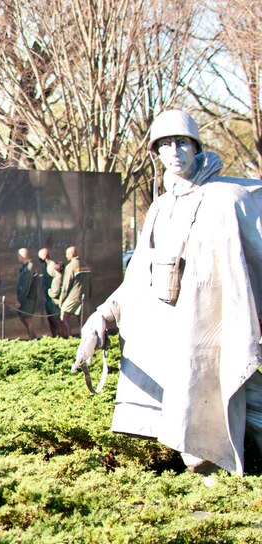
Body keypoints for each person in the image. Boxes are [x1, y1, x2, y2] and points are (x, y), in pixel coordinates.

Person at [75, 109, 262, 475]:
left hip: (221, 334)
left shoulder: (227, 198)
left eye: (181, 142)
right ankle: (213, 501)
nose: (174, 150)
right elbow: (138, 281)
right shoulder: (160, 209)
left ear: (195, 148)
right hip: (179, 340)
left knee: (250, 408)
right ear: (155, 154)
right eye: (164, 144)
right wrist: (100, 319)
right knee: (192, 435)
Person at [58, 246, 90, 337]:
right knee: (82, 319)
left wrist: (61, 300)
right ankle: (85, 337)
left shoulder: (70, 266)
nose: (66, 256)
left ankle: (70, 338)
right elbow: (89, 282)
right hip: (84, 296)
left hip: (73, 297)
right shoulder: (85, 265)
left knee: (64, 315)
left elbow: (66, 286)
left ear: (72, 254)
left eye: (67, 254)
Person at [38, 248, 66, 338]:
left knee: (57, 320)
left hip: (54, 300)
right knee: (51, 320)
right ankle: (55, 338)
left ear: (44, 255)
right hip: (48, 299)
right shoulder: (46, 266)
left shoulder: (52, 266)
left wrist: (52, 292)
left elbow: (58, 280)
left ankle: (62, 338)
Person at [15, 248, 39, 340]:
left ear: (22, 256)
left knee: (28, 318)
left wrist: (20, 300)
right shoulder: (24, 267)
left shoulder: (29, 267)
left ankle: (31, 340)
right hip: (24, 297)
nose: (18, 258)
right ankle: (34, 337)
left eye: (18, 256)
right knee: (22, 317)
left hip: (28, 298)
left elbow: (26, 286)